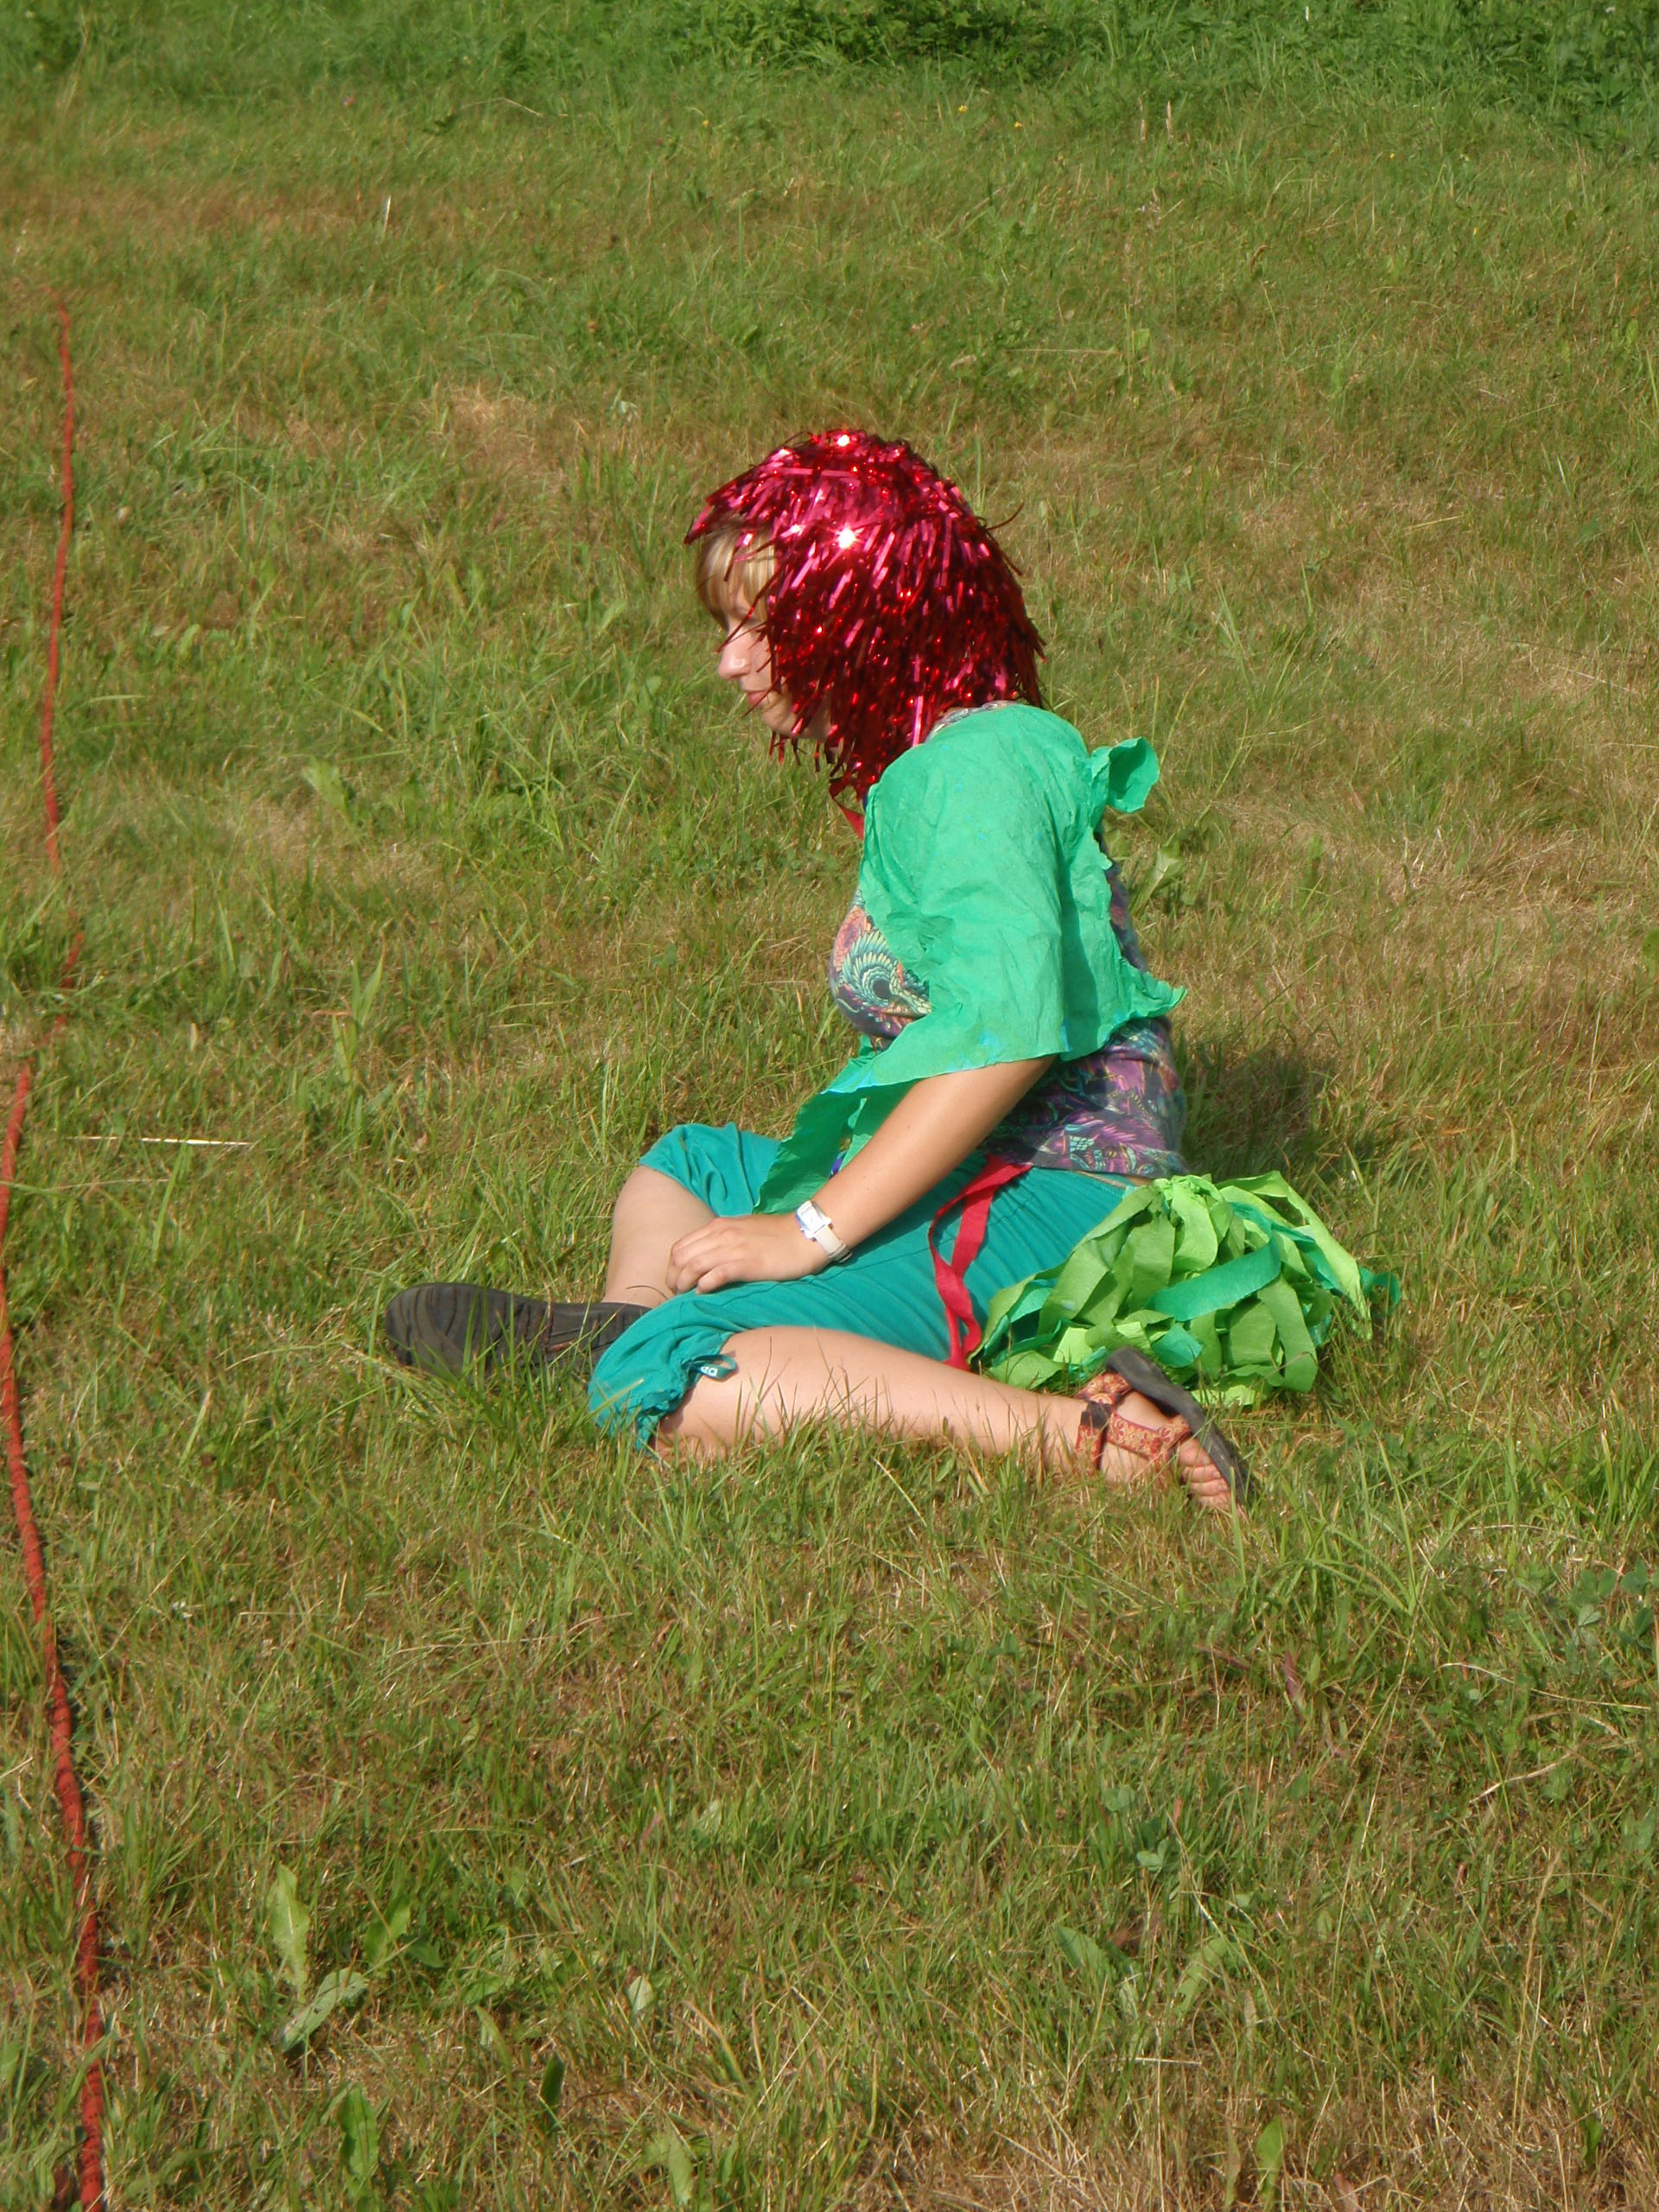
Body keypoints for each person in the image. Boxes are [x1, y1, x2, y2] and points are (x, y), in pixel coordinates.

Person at [385, 432, 1247, 1510]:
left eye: (761, 626)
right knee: (689, 1168)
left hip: (1056, 1197)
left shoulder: (972, 773)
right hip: (990, 1170)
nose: (730, 661)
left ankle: (1096, 1441)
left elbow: (1013, 1035)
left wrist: (810, 1233)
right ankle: (631, 1331)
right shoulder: (950, 759)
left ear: (864, 620)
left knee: (672, 1385)